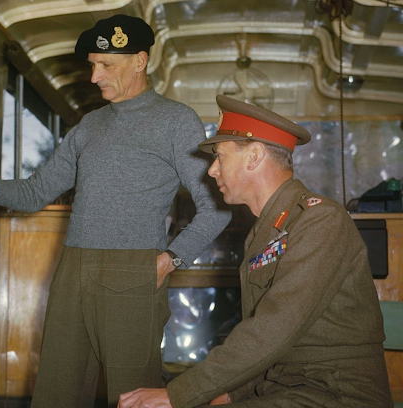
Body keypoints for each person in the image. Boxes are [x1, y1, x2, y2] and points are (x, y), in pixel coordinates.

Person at [0, 14, 231, 408]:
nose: (94, 76)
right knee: (56, 394)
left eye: (106, 65)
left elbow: (216, 207)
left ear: (140, 61)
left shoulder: (176, 121)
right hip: (72, 271)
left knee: (135, 397)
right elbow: (36, 191)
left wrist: (169, 260)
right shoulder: (88, 126)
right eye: (93, 65)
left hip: (134, 274)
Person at [118, 94, 393, 408]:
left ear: (253, 157)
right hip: (288, 389)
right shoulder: (265, 233)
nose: (211, 171)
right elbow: (267, 343)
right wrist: (233, 393)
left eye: (220, 157)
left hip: (336, 394)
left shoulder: (320, 221)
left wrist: (178, 394)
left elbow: (273, 330)